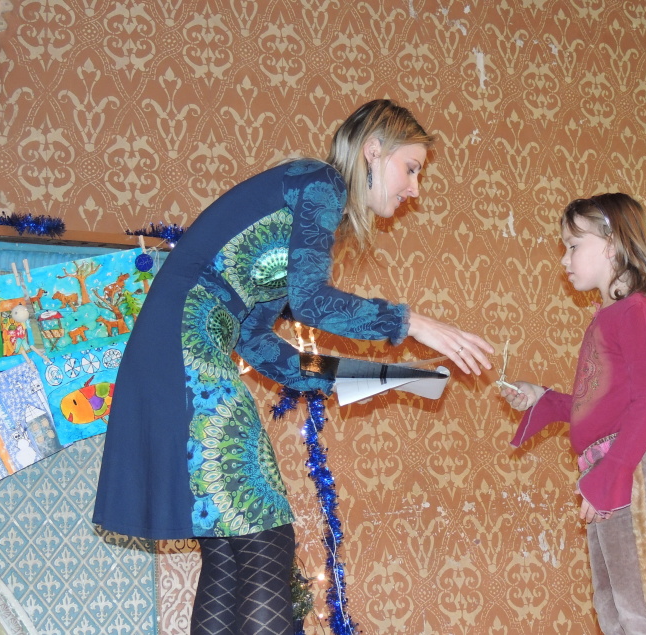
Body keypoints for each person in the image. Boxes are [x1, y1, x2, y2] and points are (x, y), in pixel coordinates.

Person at [92, 99, 493, 635]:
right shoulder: (321, 183)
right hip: (186, 348)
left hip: (177, 349)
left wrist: (377, 375)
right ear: (373, 151)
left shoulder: (307, 204)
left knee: (231, 554)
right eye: (411, 168)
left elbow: (260, 344)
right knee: (267, 542)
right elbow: (311, 302)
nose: (415, 188)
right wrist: (410, 322)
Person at [500, 193, 646, 634]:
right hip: (612, 468)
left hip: (632, 469)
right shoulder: (609, 317)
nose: (564, 259)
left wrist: (612, 474)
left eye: (573, 245)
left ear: (613, 244)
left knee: (643, 614)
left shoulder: (635, 311)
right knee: (615, 615)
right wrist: (542, 398)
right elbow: (602, 405)